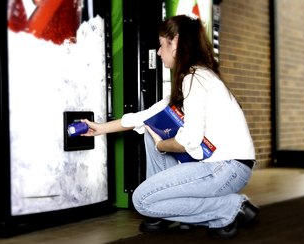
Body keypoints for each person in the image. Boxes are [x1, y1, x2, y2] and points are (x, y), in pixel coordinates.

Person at [81, 14, 259, 239]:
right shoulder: (197, 76)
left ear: (174, 43)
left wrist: (163, 145)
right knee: (150, 130)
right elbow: (143, 117)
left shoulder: (194, 79)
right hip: (229, 166)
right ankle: (191, 213)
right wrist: (99, 128)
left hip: (225, 169)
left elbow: (189, 141)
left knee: (142, 200)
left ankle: (231, 207)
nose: (157, 52)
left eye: (161, 44)